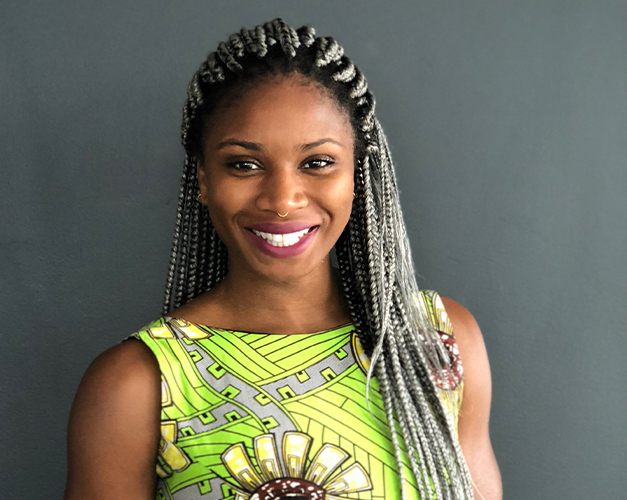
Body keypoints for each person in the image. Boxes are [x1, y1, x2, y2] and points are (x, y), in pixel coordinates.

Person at [64, 18, 502, 500]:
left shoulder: (439, 343)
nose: (282, 199)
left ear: (356, 173)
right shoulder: (137, 385)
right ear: (205, 179)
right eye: (244, 165)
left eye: (317, 162)